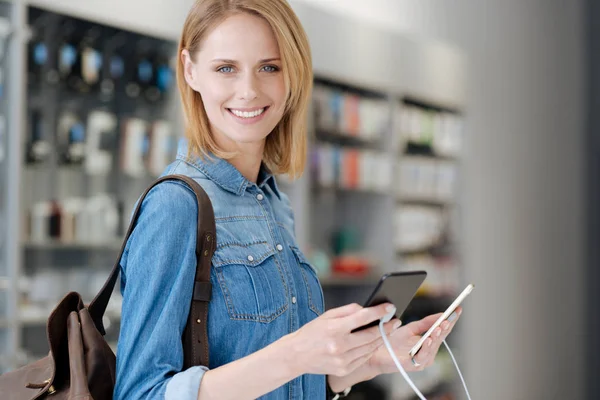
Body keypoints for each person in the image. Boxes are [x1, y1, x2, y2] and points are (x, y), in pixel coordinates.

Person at [113, 0, 462, 399]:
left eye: (269, 67)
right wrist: (295, 354)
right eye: (226, 68)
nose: (249, 91)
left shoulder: (273, 204)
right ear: (191, 71)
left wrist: (368, 362)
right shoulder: (175, 206)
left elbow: (284, 383)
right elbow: (139, 394)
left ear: (292, 75)